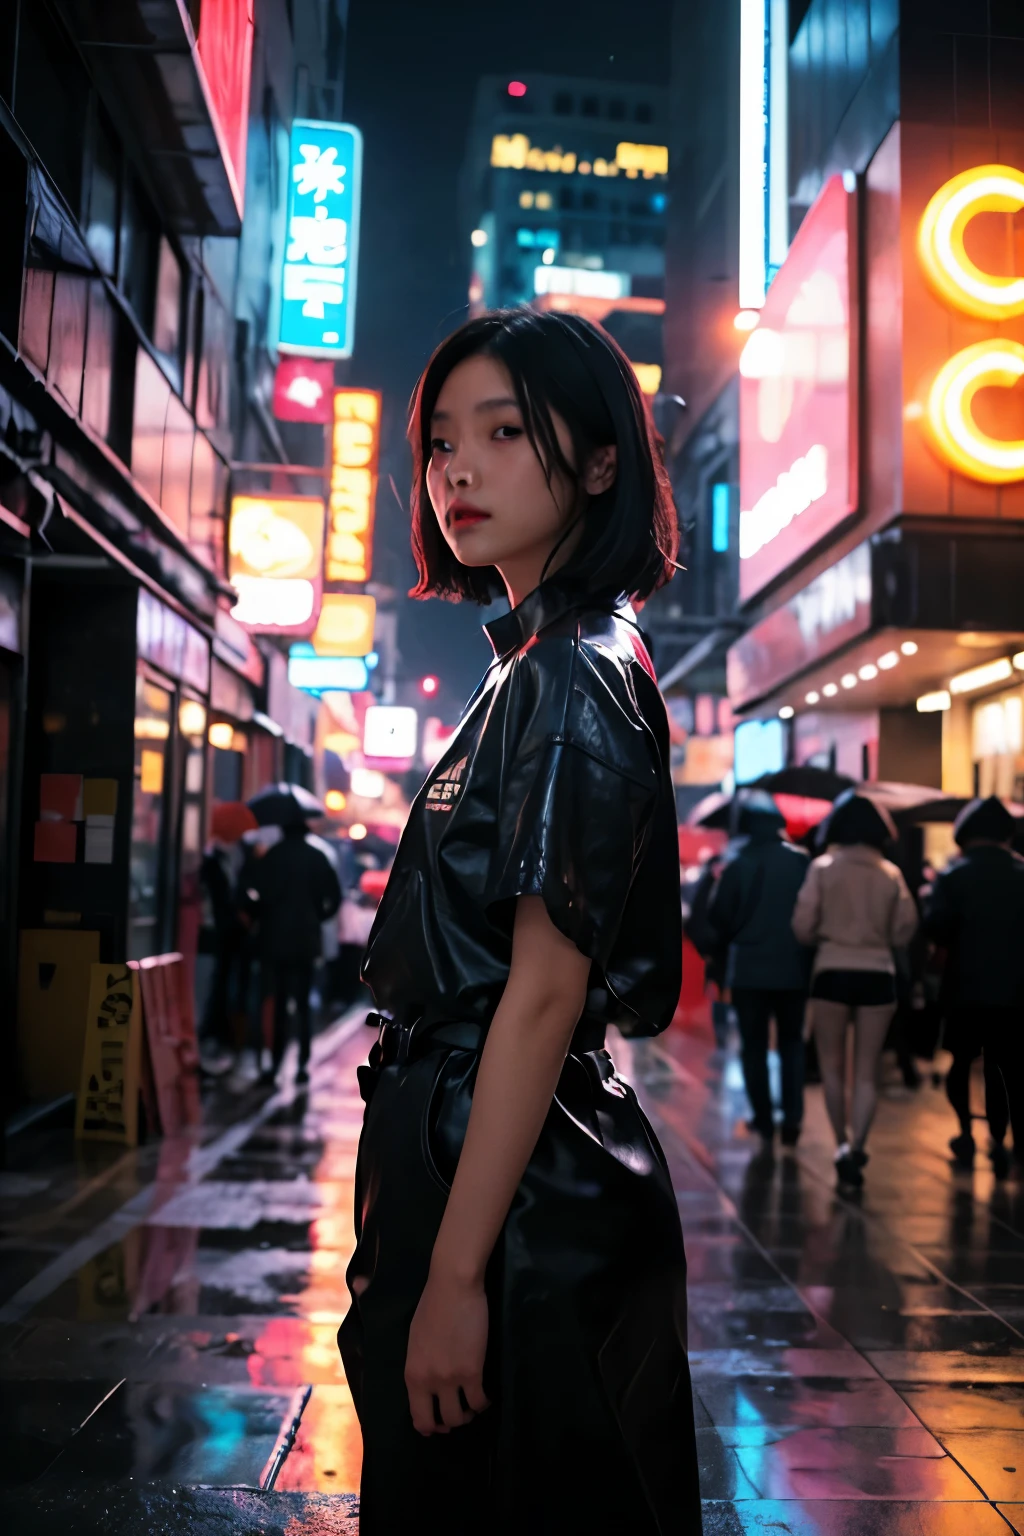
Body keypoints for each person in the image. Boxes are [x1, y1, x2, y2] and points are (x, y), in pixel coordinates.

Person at [338, 309, 702, 1534]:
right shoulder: (532, 661)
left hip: (519, 1197)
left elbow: (542, 994)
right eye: (441, 441)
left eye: (504, 432)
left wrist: (453, 1278)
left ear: (603, 461)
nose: (457, 470)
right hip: (480, 1162)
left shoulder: (573, 671)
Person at [792, 791, 918, 1187]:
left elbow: (802, 925)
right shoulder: (890, 874)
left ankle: (840, 1144)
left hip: (832, 969)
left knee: (832, 1068)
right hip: (878, 973)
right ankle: (859, 1145)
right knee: (867, 1071)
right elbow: (904, 929)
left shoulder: (823, 868)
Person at [923, 795, 1024, 1177]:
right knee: (1006, 1065)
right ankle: (1003, 1137)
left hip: (964, 986)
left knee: (962, 1061)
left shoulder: (953, 876)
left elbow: (936, 928)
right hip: (1016, 989)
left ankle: (965, 1131)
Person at [708, 791, 810, 1146]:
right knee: (792, 1043)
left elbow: (718, 917)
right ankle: (793, 1119)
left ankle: (764, 1120)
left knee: (752, 1045)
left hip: (748, 968)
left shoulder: (737, 865)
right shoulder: (801, 862)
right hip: (792, 968)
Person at [249, 817, 342, 1084]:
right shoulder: (317, 856)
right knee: (302, 1003)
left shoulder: (272, 856)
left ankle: (274, 1065)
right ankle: (302, 1065)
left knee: (275, 1001)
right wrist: (317, 918)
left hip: (274, 940)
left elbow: (258, 894)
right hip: (306, 941)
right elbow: (334, 898)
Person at [198, 801, 256, 1070]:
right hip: (221, 929)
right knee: (219, 980)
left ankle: (234, 1034)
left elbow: (246, 886)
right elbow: (215, 896)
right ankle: (217, 1031)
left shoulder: (245, 854)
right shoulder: (211, 860)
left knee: (237, 980)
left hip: (241, 931)